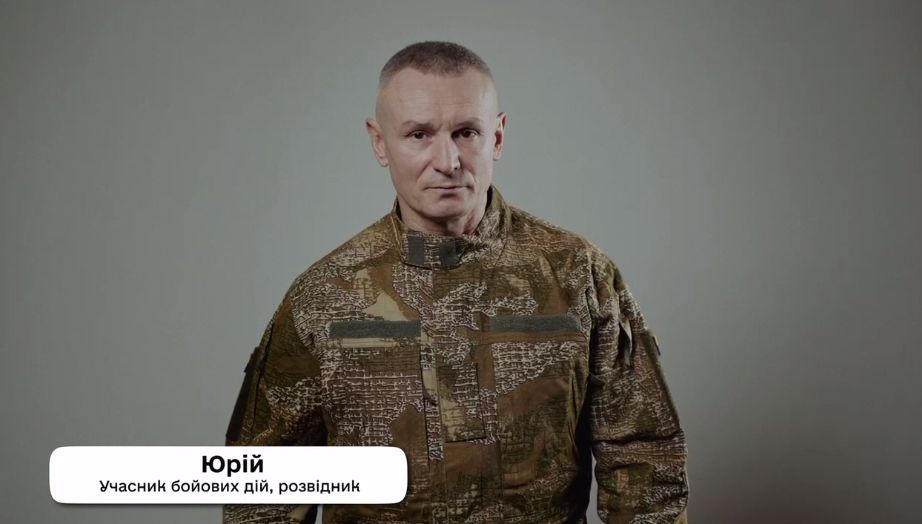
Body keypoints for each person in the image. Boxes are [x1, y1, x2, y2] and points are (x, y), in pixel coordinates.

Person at [223, 41, 689, 524]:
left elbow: (645, 456)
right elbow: (263, 487)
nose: (447, 161)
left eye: (466, 132)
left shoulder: (578, 275)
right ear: (380, 142)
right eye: (418, 135)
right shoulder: (324, 295)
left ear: (498, 137)